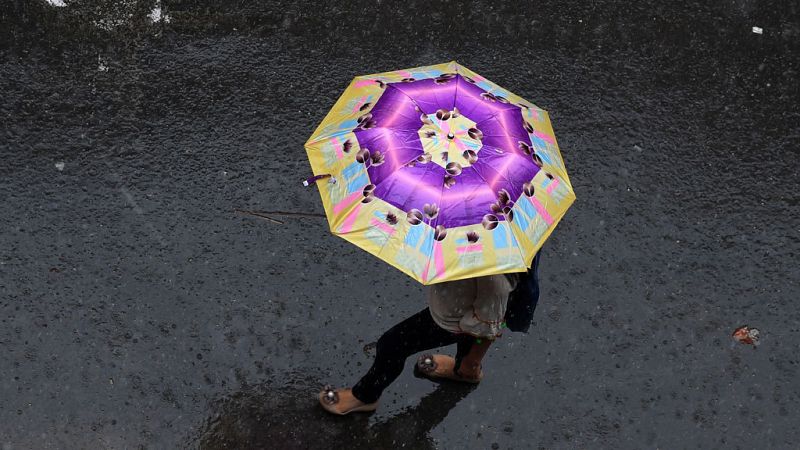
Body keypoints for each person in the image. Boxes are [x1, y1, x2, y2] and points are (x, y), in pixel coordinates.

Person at [319, 273, 520, 415]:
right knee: (467, 337)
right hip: (458, 307)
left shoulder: (495, 279)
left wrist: (473, 361)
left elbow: (487, 327)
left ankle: (365, 396)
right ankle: (463, 369)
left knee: (392, 345)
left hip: (454, 321)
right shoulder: (473, 241)